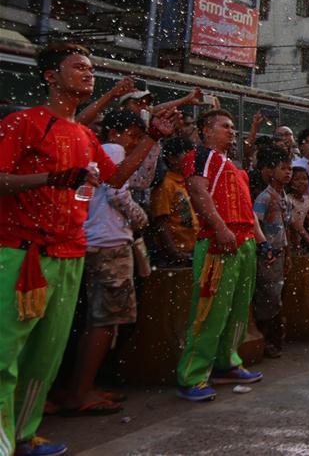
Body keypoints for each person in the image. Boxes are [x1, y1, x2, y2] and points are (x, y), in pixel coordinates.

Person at [0, 42, 178, 456]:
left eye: (90, 67)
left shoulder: (84, 133)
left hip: (70, 254)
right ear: (50, 76)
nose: (88, 73)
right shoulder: (24, 123)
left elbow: (116, 179)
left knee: (45, 355)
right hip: (22, 253)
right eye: (78, 67)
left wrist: (151, 138)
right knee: (6, 352)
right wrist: (49, 178)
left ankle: (23, 434)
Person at [175, 108, 267, 402]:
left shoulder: (232, 165)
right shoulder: (200, 156)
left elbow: (246, 206)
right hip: (218, 243)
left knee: (238, 309)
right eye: (225, 126)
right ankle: (193, 375)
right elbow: (199, 194)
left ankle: (227, 363)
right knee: (209, 312)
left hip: (243, 243)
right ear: (206, 130)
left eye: (232, 127)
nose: (232, 131)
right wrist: (219, 227)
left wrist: (258, 238)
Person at [62, 109, 149, 416]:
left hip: (93, 241)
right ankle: (82, 390)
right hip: (109, 243)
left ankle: (83, 385)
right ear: (117, 133)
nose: (135, 143)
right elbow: (118, 193)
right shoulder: (113, 150)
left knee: (95, 319)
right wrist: (141, 218)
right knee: (105, 320)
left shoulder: (97, 150)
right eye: (134, 136)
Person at [252, 147, 293, 359]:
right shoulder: (265, 197)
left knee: (276, 296)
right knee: (267, 297)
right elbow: (255, 224)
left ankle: (273, 339)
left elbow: (285, 229)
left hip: (280, 252)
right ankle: (265, 339)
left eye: (289, 169)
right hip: (267, 253)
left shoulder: (285, 197)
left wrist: (288, 254)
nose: (287, 173)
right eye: (283, 168)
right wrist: (264, 249)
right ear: (272, 171)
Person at [149, 137, 198, 266]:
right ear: (172, 159)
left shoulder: (189, 183)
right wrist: (174, 252)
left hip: (194, 251)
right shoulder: (166, 185)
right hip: (177, 256)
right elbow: (161, 222)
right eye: (187, 155)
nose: (193, 160)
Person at [287, 166, 309, 252]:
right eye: (297, 179)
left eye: (305, 179)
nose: (302, 182)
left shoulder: (307, 199)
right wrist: (308, 238)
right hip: (288, 238)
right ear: (290, 182)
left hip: (301, 238)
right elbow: (293, 222)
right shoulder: (288, 199)